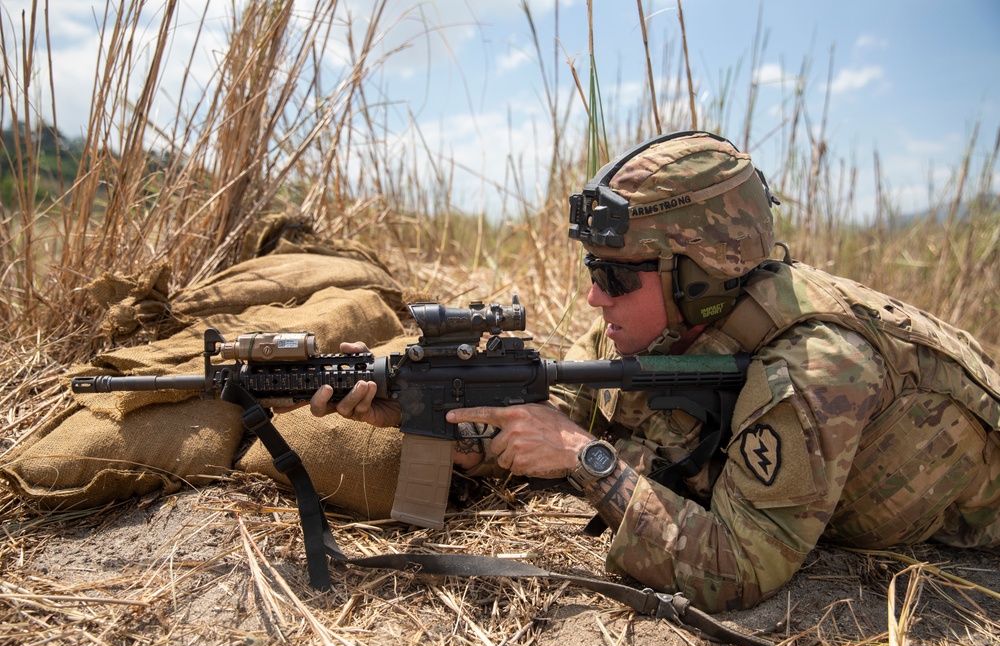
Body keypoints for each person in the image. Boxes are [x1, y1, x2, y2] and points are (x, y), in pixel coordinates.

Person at [309, 130, 1000, 613]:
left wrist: (585, 458)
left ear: (697, 274)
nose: (593, 295)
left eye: (613, 275)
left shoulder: (819, 366)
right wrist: (432, 410)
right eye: (591, 271)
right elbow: (569, 417)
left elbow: (739, 567)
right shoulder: (677, 320)